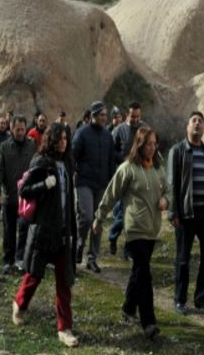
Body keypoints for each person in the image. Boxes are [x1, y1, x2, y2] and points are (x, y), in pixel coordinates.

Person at [93, 126, 169, 340]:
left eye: (155, 144)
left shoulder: (157, 170)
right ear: (140, 144)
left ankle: (128, 307)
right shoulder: (127, 168)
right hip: (135, 229)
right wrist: (99, 218)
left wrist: (166, 200)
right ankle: (149, 322)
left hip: (152, 229)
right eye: (148, 144)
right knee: (144, 274)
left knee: (138, 271)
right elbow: (111, 194)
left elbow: (168, 190)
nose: (152, 148)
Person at [12, 122, 79, 348]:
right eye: (59, 138)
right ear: (51, 140)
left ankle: (65, 328)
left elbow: (69, 199)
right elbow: (24, 190)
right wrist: (44, 185)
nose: (63, 142)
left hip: (62, 232)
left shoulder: (68, 163)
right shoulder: (41, 162)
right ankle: (20, 305)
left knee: (64, 282)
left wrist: (72, 229)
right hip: (43, 229)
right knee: (34, 275)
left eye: (66, 139)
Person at [167, 111, 204, 314]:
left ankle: (201, 298)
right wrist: (173, 213)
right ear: (187, 127)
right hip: (185, 214)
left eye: (200, 121)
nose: (197, 124)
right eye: (193, 121)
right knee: (183, 258)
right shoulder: (177, 151)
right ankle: (180, 300)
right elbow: (172, 183)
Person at [72, 101, 116, 273]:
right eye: (102, 115)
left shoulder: (108, 136)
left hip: (102, 184)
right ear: (93, 116)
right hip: (84, 182)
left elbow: (111, 160)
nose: (104, 118)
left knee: (99, 220)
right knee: (87, 217)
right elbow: (73, 156)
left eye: (106, 115)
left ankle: (92, 258)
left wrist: (111, 180)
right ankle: (79, 243)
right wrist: (75, 173)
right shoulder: (81, 133)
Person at [0, 115, 36, 275]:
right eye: (17, 129)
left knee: (25, 229)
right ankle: (8, 260)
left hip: (27, 198)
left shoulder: (32, 146)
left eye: (22, 129)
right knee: (9, 230)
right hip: (9, 196)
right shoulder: (5, 147)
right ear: (12, 129)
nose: (20, 132)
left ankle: (22, 259)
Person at [109, 102, 146, 258]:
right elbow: (110, 151)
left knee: (135, 214)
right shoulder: (118, 130)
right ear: (127, 115)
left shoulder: (145, 129)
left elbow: (151, 147)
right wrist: (123, 160)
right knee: (122, 212)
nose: (136, 119)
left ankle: (128, 249)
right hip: (122, 176)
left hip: (139, 176)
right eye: (133, 116)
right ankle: (113, 236)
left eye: (138, 116)